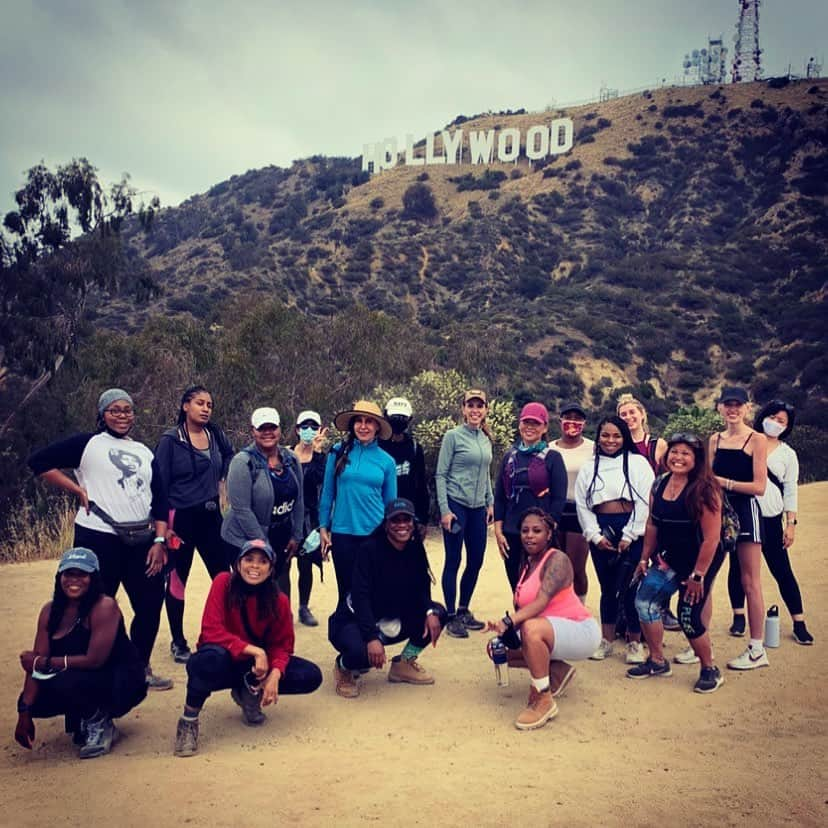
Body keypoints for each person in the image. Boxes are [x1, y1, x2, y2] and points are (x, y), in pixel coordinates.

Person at [28, 388, 172, 690]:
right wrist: (76, 489)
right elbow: (38, 462)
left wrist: (159, 542)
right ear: (102, 413)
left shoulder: (144, 452)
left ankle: (139, 666)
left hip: (141, 540)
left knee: (149, 604)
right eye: (115, 410)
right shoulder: (87, 443)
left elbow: (160, 499)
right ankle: (91, 668)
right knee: (92, 606)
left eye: (128, 410)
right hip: (98, 537)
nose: (122, 415)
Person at [173, 539, 322, 757]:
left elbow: (282, 644)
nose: (254, 566)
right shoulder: (223, 582)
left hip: (253, 669)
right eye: (249, 559)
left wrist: (276, 673)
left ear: (271, 568)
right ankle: (189, 720)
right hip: (223, 659)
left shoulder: (278, 600)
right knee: (208, 660)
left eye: (262, 562)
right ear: (238, 562)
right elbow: (211, 631)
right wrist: (256, 651)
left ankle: (248, 691)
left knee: (310, 675)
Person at [15, 548, 147, 758]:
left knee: (65, 681)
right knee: (33, 699)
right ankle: (84, 714)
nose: (74, 580)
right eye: (69, 574)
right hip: (78, 675)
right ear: (59, 578)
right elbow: (35, 666)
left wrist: (44, 662)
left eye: (82, 574)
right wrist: (24, 712)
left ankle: (99, 722)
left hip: (120, 680)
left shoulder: (104, 606)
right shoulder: (49, 611)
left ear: (93, 578)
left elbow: (94, 660)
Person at [627, 434, 726, 693]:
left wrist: (698, 576)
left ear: (697, 459)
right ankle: (657, 661)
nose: (678, 458)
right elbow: (652, 524)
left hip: (701, 560)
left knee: (687, 613)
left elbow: (712, 538)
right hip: (669, 556)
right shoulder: (659, 483)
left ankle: (709, 669)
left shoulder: (705, 489)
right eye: (674, 452)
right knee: (644, 601)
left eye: (686, 453)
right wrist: (643, 558)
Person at [487, 508, 601, 730]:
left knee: (531, 629)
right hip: (547, 631)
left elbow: (540, 602)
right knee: (496, 649)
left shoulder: (558, 559)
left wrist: (509, 622)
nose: (529, 535)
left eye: (537, 530)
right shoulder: (527, 564)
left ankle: (544, 698)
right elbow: (524, 609)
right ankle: (557, 672)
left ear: (549, 534)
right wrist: (506, 631)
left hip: (580, 630)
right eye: (525, 531)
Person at [329, 499, 446, 698]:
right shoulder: (369, 549)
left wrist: (429, 611)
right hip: (354, 620)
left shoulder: (415, 547)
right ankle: (343, 668)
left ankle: (403, 663)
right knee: (361, 655)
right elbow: (360, 597)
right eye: (395, 520)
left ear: (413, 522)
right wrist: (371, 637)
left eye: (406, 519)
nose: (402, 525)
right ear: (386, 524)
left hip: (390, 617)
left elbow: (421, 586)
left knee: (439, 613)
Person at [153, 385, 235, 663]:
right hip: (181, 519)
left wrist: (222, 482)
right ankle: (178, 641)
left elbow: (230, 457)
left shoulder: (215, 436)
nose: (205, 409)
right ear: (185, 406)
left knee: (225, 577)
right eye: (199, 403)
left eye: (209, 405)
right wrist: (162, 527)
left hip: (211, 517)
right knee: (177, 580)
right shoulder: (170, 440)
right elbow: (159, 485)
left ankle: (224, 634)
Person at [727, 401, 812, 645]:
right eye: (772, 416)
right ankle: (738, 616)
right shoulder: (746, 441)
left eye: (782, 421)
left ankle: (799, 622)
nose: (775, 423)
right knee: (738, 567)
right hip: (742, 513)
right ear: (763, 415)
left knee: (782, 569)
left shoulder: (787, 454)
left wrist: (791, 523)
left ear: (787, 427)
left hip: (771, 517)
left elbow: (790, 490)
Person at [575, 415, 654, 663]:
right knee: (607, 588)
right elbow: (582, 504)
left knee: (630, 588)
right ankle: (607, 640)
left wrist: (630, 534)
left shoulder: (638, 463)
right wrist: (594, 535)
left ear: (625, 437)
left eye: (616, 435)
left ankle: (634, 643)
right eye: (605, 435)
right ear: (598, 437)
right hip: (601, 530)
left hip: (631, 528)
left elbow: (645, 502)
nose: (610, 440)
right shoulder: (589, 466)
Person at [709, 387, 769, 670]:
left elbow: (759, 486)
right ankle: (698, 641)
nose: (732, 410)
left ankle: (757, 650)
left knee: (750, 581)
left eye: (738, 405)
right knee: (705, 578)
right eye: (727, 405)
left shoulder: (757, 440)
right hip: (716, 512)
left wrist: (725, 483)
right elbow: (707, 480)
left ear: (747, 408)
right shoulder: (714, 440)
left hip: (745, 511)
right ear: (720, 408)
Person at [221, 407, 304, 603]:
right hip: (245, 538)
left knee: (279, 586)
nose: (268, 432)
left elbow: (298, 500)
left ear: (280, 429)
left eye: (272, 427)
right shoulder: (242, 462)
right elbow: (242, 509)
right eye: (262, 428)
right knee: (250, 589)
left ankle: (278, 628)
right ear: (253, 431)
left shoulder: (291, 459)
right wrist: (263, 545)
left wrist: (296, 534)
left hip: (281, 534)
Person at [319, 400, 397, 608]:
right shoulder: (337, 452)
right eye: (359, 421)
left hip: (375, 534)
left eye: (369, 421)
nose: (363, 426)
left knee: (372, 590)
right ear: (352, 425)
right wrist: (323, 528)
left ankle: (370, 638)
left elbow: (391, 504)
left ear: (377, 427)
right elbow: (328, 493)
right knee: (346, 592)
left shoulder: (387, 461)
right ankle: (346, 636)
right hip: (343, 534)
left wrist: (392, 537)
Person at [435, 388, 495, 638]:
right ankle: (450, 616)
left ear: (485, 410)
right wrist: (445, 510)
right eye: (470, 405)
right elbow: (440, 474)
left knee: (476, 560)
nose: (475, 410)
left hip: (478, 508)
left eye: (479, 406)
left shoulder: (485, 438)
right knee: (453, 560)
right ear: (463, 409)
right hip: (456, 505)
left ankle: (463, 610)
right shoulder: (453, 437)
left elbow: (486, 473)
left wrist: (490, 502)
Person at [616, 392, 678, 631]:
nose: (629, 417)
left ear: (642, 414)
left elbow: (669, 475)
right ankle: (626, 613)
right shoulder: (618, 445)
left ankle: (662, 608)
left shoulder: (657, 444)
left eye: (632, 412)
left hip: (656, 510)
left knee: (661, 560)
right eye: (623, 414)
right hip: (627, 511)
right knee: (630, 562)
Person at [494, 402, 567, 591]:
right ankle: (520, 620)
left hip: (540, 533)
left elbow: (559, 499)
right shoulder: (509, 457)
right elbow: (500, 497)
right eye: (526, 422)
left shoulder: (553, 458)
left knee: (541, 585)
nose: (530, 427)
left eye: (535, 423)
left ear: (544, 427)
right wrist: (498, 531)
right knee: (517, 585)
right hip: (512, 531)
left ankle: (540, 621)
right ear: (519, 424)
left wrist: (550, 529)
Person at [289, 409, 329, 627]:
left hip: (309, 520)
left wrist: (318, 453)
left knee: (305, 565)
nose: (309, 431)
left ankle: (304, 607)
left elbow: (321, 481)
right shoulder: (285, 454)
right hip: (286, 517)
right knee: (282, 566)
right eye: (305, 426)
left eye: (314, 427)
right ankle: (282, 609)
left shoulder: (321, 458)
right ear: (297, 430)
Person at [552, 402, 594, 603]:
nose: (572, 422)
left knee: (577, 567)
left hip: (580, 510)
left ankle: (580, 608)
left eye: (578, 418)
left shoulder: (593, 448)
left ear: (584, 422)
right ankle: (560, 608)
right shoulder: (550, 448)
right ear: (560, 421)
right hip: (556, 510)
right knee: (557, 566)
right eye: (568, 417)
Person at [378, 397, 430, 536]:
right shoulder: (377, 446)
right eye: (395, 417)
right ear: (385, 416)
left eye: (403, 417)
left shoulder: (414, 448)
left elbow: (421, 486)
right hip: (380, 514)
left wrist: (423, 519)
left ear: (410, 419)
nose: (398, 421)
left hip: (407, 516)